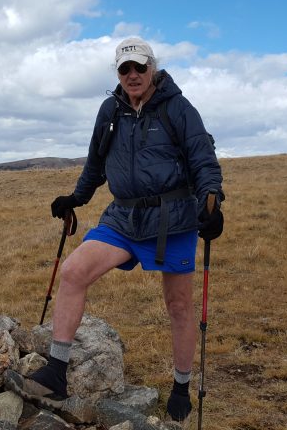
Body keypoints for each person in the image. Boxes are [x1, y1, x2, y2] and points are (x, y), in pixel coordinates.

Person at [22, 36, 224, 422]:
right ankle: (57, 371)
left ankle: (181, 386)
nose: (132, 75)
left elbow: (203, 159)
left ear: (153, 68)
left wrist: (213, 201)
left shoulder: (178, 109)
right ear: (118, 72)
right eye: (124, 68)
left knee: (179, 306)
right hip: (124, 217)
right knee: (74, 271)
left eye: (139, 67)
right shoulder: (110, 110)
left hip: (174, 219)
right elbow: (96, 164)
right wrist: (76, 199)